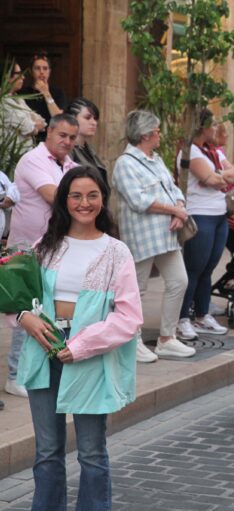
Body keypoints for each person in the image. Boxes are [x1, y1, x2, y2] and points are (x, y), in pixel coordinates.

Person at [16, 166, 142, 511]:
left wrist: (81, 345)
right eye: (75, 195)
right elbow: (19, 296)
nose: (83, 203)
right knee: (47, 451)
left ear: (103, 199)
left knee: (91, 451)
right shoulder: (47, 245)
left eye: (92, 195)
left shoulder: (116, 252)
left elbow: (129, 317)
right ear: (64, 200)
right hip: (43, 348)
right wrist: (23, 317)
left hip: (90, 352)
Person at [6, 114, 79, 400]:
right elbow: (56, 195)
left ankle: (37, 368)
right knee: (25, 311)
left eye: (72, 137)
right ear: (48, 132)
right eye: (62, 135)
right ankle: (15, 376)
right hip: (28, 252)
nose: (67, 142)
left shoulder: (70, 164)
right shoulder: (33, 159)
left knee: (45, 309)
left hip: (56, 249)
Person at [112, 109, 194, 362]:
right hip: (142, 236)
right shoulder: (124, 164)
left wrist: (179, 209)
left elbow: (173, 187)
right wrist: (174, 210)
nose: (160, 136)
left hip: (166, 236)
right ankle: (130, 340)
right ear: (146, 134)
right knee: (136, 289)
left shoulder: (156, 159)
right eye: (157, 132)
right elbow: (139, 200)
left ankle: (167, 339)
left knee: (179, 281)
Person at [177, 109, 234, 340]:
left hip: (219, 214)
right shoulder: (190, 151)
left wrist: (223, 176)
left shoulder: (211, 150)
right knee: (194, 268)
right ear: (201, 127)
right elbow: (211, 179)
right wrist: (222, 176)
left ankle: (202, 314)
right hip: (200, 215)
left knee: (208, 269)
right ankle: (183, 318)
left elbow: (233, 173)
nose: (215, 129)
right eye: (212, 125)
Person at [19, 51, 66, 142]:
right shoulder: (22, 93)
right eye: (37, 68)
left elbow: (59, 119)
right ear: (31, 71)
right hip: (28, 141)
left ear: (49, 71)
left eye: (45, 68)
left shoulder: (58, 92)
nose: (41, 72)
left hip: (50, 141)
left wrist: (46, 93)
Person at [1, 60, 46, 153]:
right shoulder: (2, 99)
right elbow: (27, 127)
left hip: (24, 154)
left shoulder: (18, 98)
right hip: (9, 159)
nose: (23, 77)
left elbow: (42, 121)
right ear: (7, 76)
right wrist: (33, 125)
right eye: (19, 73)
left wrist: (33, 124)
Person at [65, 97, 108, 185]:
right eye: (87, 118)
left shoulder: (90, 150)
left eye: (95, 119)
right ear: (73, 118)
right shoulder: (67, 150)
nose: (94, 123)